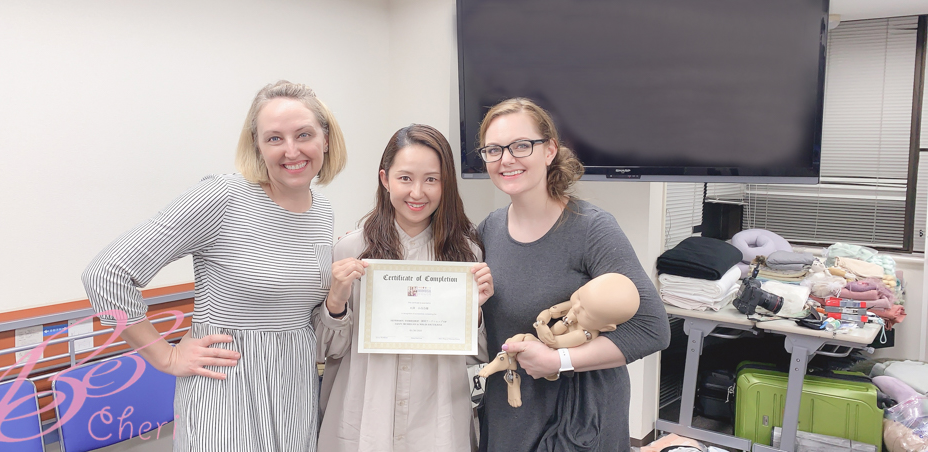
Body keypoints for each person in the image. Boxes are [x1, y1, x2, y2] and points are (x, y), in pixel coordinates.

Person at [81, 81, 346, 452]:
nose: (291, 150)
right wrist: (165, 355)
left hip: (294, 391)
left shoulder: (323, 212)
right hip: (226, 388)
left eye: (304, 134)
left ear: (326, 139)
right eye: (274, 138)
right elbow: (105, 274)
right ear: (257, 145)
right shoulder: (222, 196)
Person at [474, 98, 670, 452]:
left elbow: (652, 328)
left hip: (579, 420)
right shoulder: (488, 230)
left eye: (521, 145)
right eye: (493, 149)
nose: (506, 159)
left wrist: (558, 360)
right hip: (510, 413)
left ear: (549, 150)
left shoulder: (591, 229)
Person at [314, 124, 493, 452]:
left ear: (446, 183)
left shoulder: (469, 256)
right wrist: (336, 302)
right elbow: (324, 351)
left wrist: (476, 313)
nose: (417, 192)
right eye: (405, 178)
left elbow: (478, 357)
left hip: (438, 422)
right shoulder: (350, 251)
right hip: (363, 419)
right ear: (385, 179)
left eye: (431, 179)